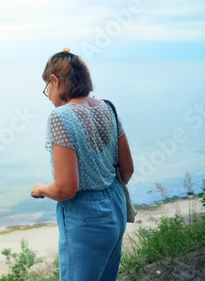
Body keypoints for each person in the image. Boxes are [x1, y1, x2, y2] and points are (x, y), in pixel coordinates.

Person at [30, 48, 134, 281]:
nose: (48, 94)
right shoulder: (108, 107)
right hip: (115, 206)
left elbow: (66, 189)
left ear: (55, 81)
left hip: (86, 217)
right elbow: (127, 169)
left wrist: (40, 188)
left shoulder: (61, 117)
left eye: (47, 87)